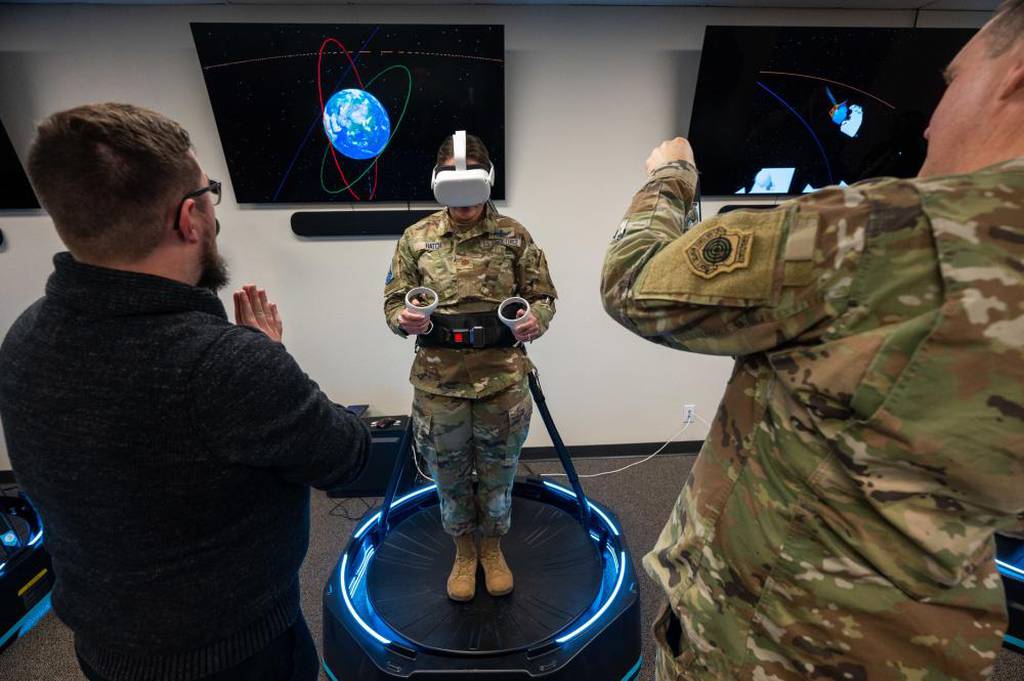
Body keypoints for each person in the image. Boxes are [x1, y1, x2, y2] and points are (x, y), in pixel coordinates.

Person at [601, 3, 1024, 679]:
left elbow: (633, 281)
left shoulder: (876, 229)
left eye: (949, 83)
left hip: (763, 642)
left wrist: (671, 175)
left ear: (1014, 75)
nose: (932, 117)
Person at [0, 103, 370, 681]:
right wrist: (269, 357)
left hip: (105, 651)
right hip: (240, 656)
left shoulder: (24, 335)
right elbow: (347, 457)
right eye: (209, 195)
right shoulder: (225, 365)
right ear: (190, 218)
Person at [383, 132, 557, 601]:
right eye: (453, 192)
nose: (463, 206)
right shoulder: (416, 239)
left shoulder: (514, 236)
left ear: (488, 182)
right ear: (438, 182)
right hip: (440, 385)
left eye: (472, 191)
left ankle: (493, 550)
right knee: (450, 474)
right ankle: (464, 552)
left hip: (501, 379)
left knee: (500, 474)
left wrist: (534, 320)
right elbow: (394, 301)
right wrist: (403, 318)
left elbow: (543, 295)